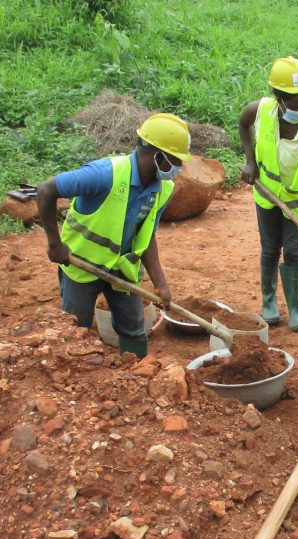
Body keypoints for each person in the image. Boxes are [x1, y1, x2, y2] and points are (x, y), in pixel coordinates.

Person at [36, 113, 189, 358]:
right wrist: (55, 244)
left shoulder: (163, 188)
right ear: (158, 155)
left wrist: (160, 284)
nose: (179, 168)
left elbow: (146, 236)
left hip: (121, 270)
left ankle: (139, 374)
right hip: (80, 264)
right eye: (176, 161)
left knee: (134, 330)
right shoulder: (104, 174)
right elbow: (45, 190)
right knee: (76, 331)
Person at [239, 56, 298, 332]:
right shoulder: (262, 110)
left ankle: (295, 308)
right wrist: (251, 162)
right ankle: (269, 304)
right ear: (277, 97)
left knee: (293, 251)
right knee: (269, 249)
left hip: (297, 207)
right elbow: (243, 124)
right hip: (266, 197)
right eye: (294, 103)